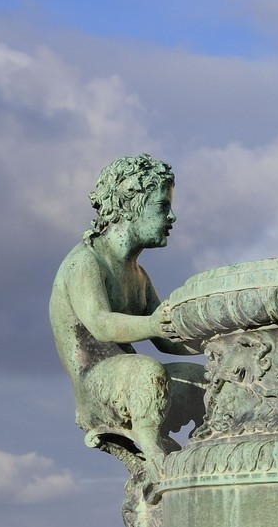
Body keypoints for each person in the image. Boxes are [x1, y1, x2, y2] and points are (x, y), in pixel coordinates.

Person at [48, 153, 204, 475]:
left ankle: (208, 452)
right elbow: (102, 324)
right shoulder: (85, 263)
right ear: (131, 207)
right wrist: (152, 323)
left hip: (129, 378)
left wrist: (215, 342)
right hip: (97, 384)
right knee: (149, 375)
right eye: (162, 206)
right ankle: (159, 465)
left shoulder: (138, 275)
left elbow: (167, 340)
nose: (171, 216)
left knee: (207, 381)